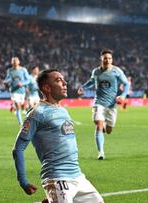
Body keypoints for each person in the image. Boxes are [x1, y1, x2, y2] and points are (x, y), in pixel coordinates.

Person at [12, 69, 104, 203]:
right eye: (59, 80)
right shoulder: (37, 113)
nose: (65, 83)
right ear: (47, 88)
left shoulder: (62, 110)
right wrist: (23, 181)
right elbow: (18, 148)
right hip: (58, 178)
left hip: (78, 176)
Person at [77, 49, 130, 160]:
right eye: (105, 58)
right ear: (101, 59)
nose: (107, 60)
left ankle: (105, 127)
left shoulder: (117, 71)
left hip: (112, 105)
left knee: (109, 130)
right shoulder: (96, 71)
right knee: (99, 125)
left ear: (112, 60)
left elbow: (126, 84)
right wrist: (83, 87)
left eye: (109, 58)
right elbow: (92, 81)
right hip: (99, 103)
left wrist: (123, 96)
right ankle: (101, 152)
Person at [4, 57, 30, 125]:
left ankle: (15, 108)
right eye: (13, 61)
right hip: (13, 91)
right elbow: (7, 78)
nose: (15, 62)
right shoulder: (9, 70)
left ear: (19, 62)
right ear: (12, 62)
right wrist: (6, 81)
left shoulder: (23, 70)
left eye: (16, 61)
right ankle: (21, 124)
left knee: (22, 106)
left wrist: (23, 83)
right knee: (18, 106)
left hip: (22, 91)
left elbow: (28, 80)